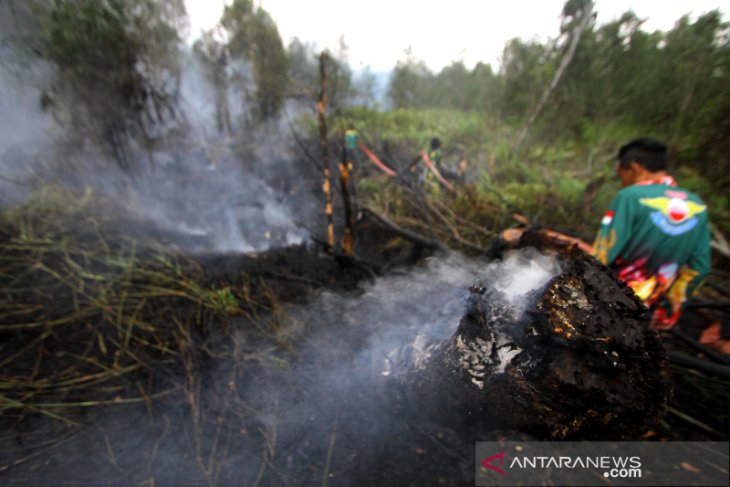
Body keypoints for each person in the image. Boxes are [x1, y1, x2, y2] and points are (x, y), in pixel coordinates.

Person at [592, 137, 711, 330]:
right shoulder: (697, 204)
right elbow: (700, 268)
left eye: (622, 176)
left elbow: (602, 255)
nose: (623, 183)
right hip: (647, 312)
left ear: (636, 168)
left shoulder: (630, 196)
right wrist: (668, 311)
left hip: (609, 303)